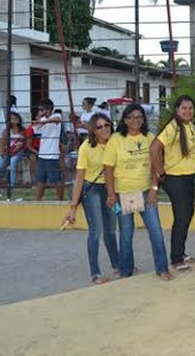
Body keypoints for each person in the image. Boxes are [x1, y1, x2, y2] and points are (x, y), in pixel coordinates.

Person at [104, 104, 171, 280]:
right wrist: (111, 195)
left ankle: (162, 268)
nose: (136, 120)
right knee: (126, 234)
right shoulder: (116, 139)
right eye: (132, 117)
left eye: (140, 117)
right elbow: (108, 169)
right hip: (122, 194)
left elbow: (156, 166)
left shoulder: (150, 138)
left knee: (156, 231)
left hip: (146, 192)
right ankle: (126, 272)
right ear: (125, 120)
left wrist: (154, 189)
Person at [63, 113, 119, 284]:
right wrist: (73, 206)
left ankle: (117, 265)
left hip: (110, 189)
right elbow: (80, 177)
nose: (104, 129)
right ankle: (95, 273)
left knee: (110, 229)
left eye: (107, 125)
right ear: (93, 130)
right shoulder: (86, 147)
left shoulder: (116, 142)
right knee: (96, 230)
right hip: (92, 189)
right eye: (99, 127)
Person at [150, 95, 195, 272]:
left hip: (187, 176)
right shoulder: (173, 127)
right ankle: (176, 258)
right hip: (174, 178)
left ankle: (180, 251)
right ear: (177, 110)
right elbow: (154, 148)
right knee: (181, 216)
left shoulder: (190, 126)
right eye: (184, 108)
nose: (187, 111)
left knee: (188, 213)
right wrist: (160, 171)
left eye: (190, 108)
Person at [33, 99, 64, 200]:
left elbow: (57, 120)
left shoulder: (56, 116)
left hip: (52, 155)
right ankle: (37, 201)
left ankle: (60, 200)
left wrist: (44, 121)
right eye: (39, 110)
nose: (40, 112)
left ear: (49, 109)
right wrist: (40, 120)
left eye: (42, 110)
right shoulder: (42, 120)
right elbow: (35, 128)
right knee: (40, 180)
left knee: (56, 180)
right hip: (42, 154)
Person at [0, 112, 26, 187]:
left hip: (18, 151)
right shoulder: (6, 130)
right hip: (7, 150)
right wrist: (2, 151)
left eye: (16, 118)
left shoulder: (23, 130)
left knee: (12, 162)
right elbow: (3, 142)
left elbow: (24, 142)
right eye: (12, 119)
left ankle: (11, 184)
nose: (14, 120)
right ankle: (6, 176)